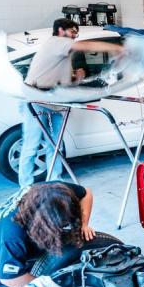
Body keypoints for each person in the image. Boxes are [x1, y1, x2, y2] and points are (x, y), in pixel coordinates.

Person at [18, 19, 123, 187]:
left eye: (76, 33)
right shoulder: (56, 43)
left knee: (56, 145)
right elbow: (85, 46)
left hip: (55, 101)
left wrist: (78, 77)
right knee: (32, 146)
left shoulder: (63, 52)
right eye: (73, 31)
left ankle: (55, 182)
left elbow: (64, 81)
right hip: (36, 100)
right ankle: (25, 187)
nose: (75, 36)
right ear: (61, 30)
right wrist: (117, 48)